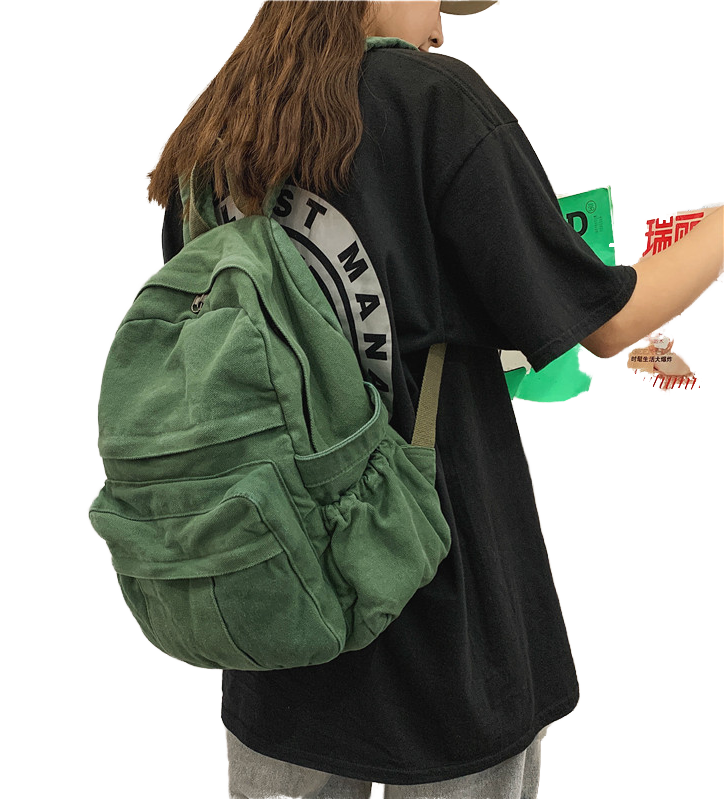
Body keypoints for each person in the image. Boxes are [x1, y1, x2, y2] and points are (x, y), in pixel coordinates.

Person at [147, 2, 724, 797]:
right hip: (445, 618)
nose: (441, 31)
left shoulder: (220, 129)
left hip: (273, 605)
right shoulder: (431, 103)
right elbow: (609, 322)